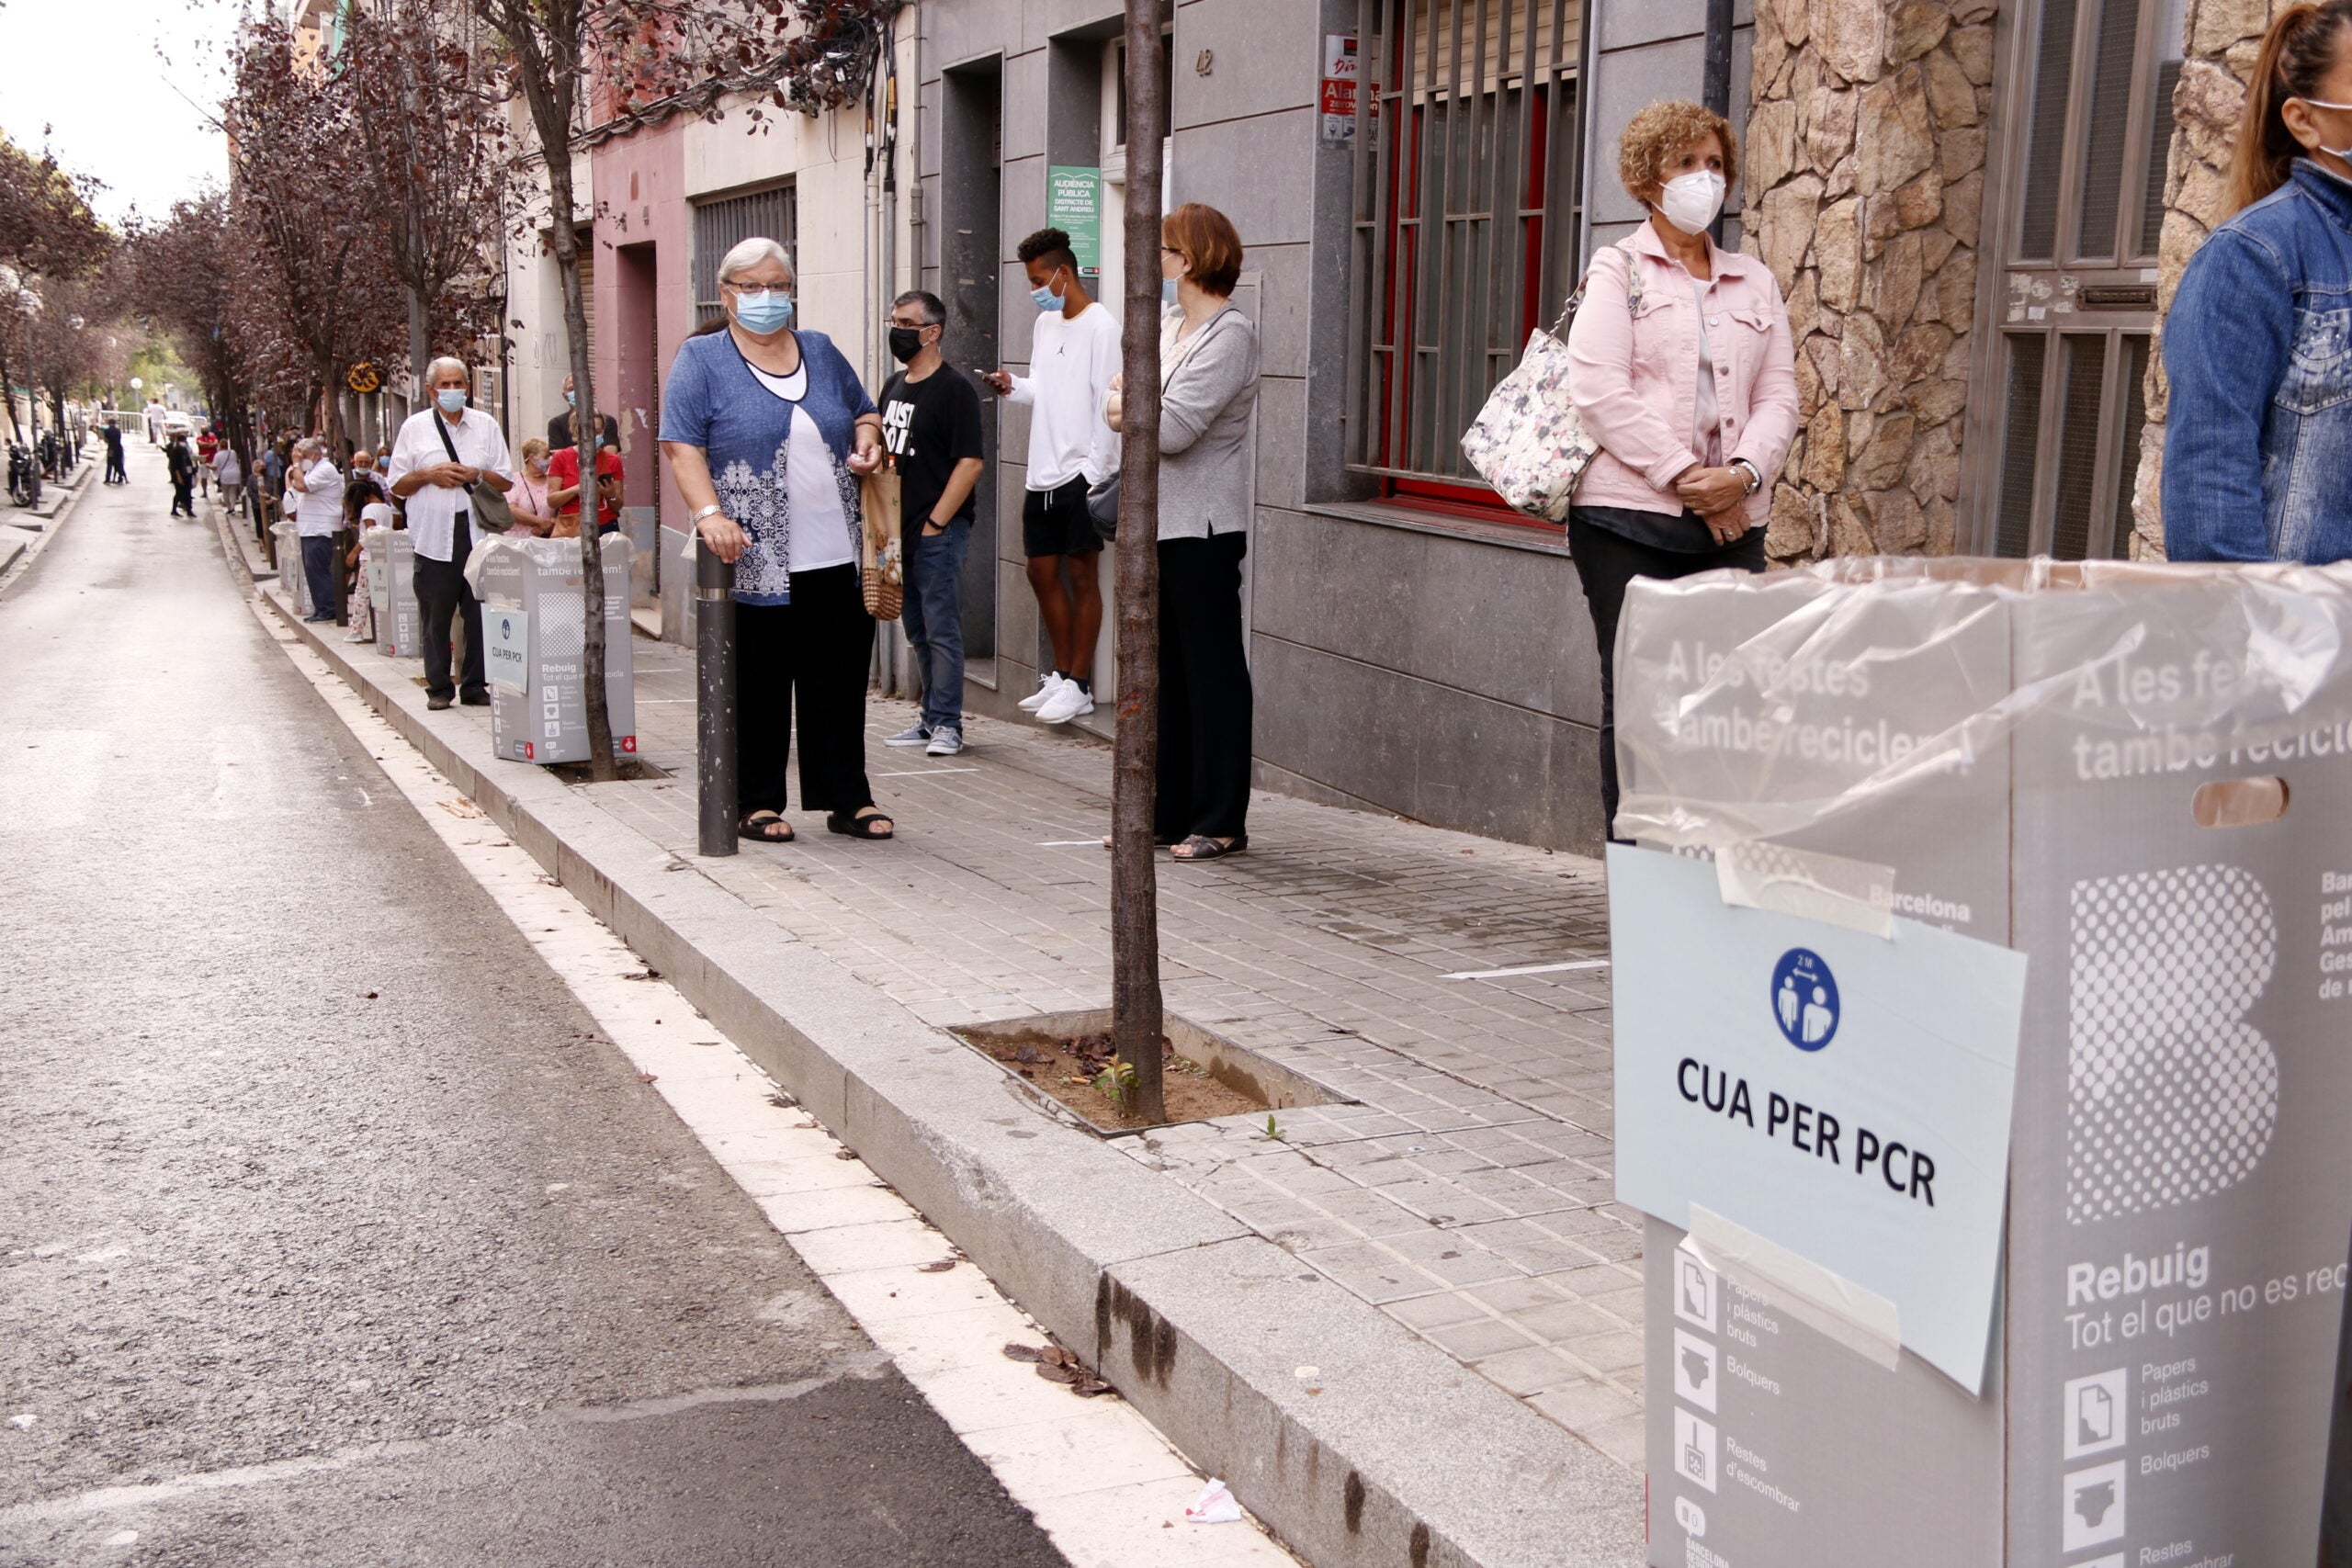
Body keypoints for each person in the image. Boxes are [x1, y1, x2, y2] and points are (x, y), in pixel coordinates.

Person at [1564, 98, 1799, 840]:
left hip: (1734, 521)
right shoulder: (1619, 269)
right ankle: (1643, 880)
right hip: (1627, 520)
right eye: (1686, 164)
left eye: (1715, 164)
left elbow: (1779, 393)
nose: (1705, 178)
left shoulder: (1754, 281)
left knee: (1726, 711)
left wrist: (1744, 476)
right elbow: (1599, 388)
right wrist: (1686, 478)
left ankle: (1707, 873)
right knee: (1641, 707)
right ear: (1647, 180)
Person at [658, 235, 894, 844]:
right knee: (759, 683)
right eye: (752, 287)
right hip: (753, 554)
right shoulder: (702, 359)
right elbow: (681, 444)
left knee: (838, 681)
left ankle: (848, 797)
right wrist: (709, 513)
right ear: (726, 293)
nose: (766, 297)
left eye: (778, 286)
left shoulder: (818, 348)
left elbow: (863, 409)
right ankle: (755, 800)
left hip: (837, 551)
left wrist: (867, 441)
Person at [1102, 204, 1263, 860]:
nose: (1156, 264)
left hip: (1202, 528)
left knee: (1210, 673)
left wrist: (1130, 405)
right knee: (1160, 672)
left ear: (1190, 259)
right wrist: (1130, 405)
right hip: (1155, 524)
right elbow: (1120, 399)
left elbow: (1167, 428)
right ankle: (1165, 814)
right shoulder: (1169, 328)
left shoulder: (1231, 335)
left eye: (1164, 251)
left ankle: (1220, 817)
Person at [2165, 0, 2352, 562]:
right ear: (2304, 120)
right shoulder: (2252, 256)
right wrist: (2249, 635)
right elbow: (2210, 472)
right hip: (2306, 636)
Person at [980, 226, 1121, 728]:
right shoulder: (1047, 325)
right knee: (1040, 572)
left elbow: (1110, 402)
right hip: (1041, 471)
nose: (1034, 289)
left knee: (1082, 575)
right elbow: (1043, 387)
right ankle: (1061, 676)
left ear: (1064, 272)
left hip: (1081, 472)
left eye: (1039, 279)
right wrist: (1012, 385)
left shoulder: (1102, 327)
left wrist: (1096, 476)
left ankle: (1079, 683)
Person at [877, 289, 987, 758]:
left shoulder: (954, 389)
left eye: (906, 322)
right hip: (897, 531)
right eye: (894, 320)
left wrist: (937, 523)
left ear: (932, 331)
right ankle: (928, 718)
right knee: (917, 628)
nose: (896, 330)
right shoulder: (893, 387)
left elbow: (970, 462)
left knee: (942, 627)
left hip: (937, 531)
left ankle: (948, 724)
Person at [386, 356, 516, 710]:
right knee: (435, 618)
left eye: (458, 383)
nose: (453, 390)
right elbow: (396, 485)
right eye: (445, 385)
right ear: (431, 390)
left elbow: (505, 479)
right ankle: (439, 688)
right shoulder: (414, 428)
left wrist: (476, 473)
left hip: (476, 535)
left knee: (477, 615)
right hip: (432, 537)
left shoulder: (485, 425)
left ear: (468, 387)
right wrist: (430, 475)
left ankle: (475, 684)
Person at [288, 436, 347, 624]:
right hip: (309, 528)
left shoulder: (325, 469)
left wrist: (296, 464)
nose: (300, 460)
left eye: (304, 456)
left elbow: (301, 486)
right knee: (312, 571)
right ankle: (321, 607)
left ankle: (329, 608)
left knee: (319, 570)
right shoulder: (312, 470)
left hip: (321, 529)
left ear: (316, 454)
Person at [546, 414, 624, 537]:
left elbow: (618, 505)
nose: (594, 436)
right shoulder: (561, 458)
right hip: (572, 525)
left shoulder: (613, 460)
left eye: (598, 431)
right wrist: (576, 489)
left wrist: (611, 494)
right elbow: (552, 501)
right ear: (577, 432)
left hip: (605, 524)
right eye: (589, 431)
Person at [346, 498, 393, 644]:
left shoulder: (368, 509)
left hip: (368, 556)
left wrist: (354, 552)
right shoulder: (386, 508)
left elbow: (372, 532)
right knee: (382, 596)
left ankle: (356, 631)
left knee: (362, 595)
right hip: (383, 554)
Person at [547, 373, 621, 453]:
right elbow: (557, 455)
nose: (578, 392)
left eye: (597, 432)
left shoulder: (608, 421)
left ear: (592, 391)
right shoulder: (556, 423)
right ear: (565, 396)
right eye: (571, 389)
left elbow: (610, 453)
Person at [506, 437, 560, 536]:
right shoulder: (514, 481)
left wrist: (551, 524)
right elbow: (511, 509)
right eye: (545, 457)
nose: (549, 460)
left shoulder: (553, 480)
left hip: (547, 541)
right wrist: (540, 522)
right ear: (532, 458)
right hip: (518, 541)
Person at [164, 434, 197, 517]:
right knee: (179, 493)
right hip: (180, 474)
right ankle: (174, 510)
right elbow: (175, 465)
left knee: (188, 492)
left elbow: (190, 461)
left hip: (187, 473)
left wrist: (193, 472)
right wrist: (178, 476)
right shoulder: (175, 451)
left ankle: (189, 509)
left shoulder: (186, 449)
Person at [210, 439, 243, 518]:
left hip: (225, 475)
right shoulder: (233, 452)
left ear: (220, 446)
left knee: (225, 492)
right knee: (233, 492)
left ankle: (229, 508)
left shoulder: (218, 455)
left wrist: (207, 465)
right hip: (235, 473)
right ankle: (233, 508)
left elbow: (214, 467)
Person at [99, 417, 126, 484]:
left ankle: (107, 479)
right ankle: (120, 478)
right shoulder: (118, 430)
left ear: (109, 424)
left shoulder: (107, 431)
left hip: (111, 449)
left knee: (109, 464)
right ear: (114, 424)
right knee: (119, 464)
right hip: (119, 449)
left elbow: (106, 440)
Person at [196, 427, 219, 499]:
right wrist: (210, 444)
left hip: (213, 459)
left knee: (217, 475)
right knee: (204, 477)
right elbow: (201, 444)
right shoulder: (199, 438)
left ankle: (219, 487)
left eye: (205, 430)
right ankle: (204, 492)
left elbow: (215, 443)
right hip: (203, 460)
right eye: (203, 430)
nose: (204, 431)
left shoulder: (213, 436)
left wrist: (206, 445)